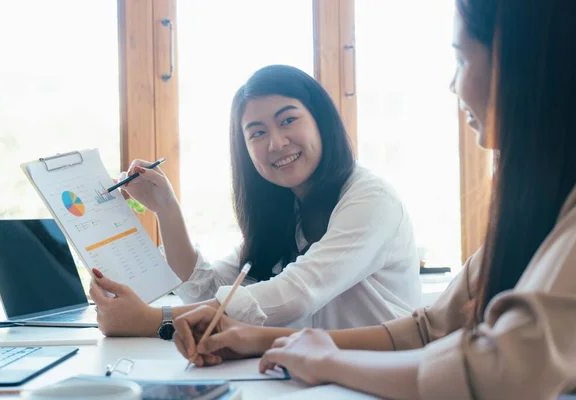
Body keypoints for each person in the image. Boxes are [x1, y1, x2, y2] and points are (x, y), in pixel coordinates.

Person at [171, 0, 576, 398]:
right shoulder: (537, 207)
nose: (454, 84)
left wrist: (329, 362)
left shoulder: (371, 198)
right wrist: (260, 339)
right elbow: (426, 329)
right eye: (256, 133)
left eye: (462, 61)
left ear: (520, 64)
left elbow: (499, 373)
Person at [89, 65, 422, 338]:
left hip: (381, 382)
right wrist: (166, 208)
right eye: (257, 133)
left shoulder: (371, 200)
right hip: (318, 378)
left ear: (321, 121)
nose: (276, 143)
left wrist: (154, 320)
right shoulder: (288, 210)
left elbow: (296, 294)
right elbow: (209, 290)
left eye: (288, 120)